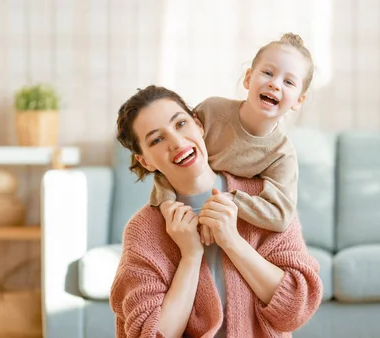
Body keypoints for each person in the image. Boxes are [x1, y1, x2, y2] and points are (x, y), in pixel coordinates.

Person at [110, 85, 322, 337]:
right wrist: (190, 255)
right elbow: (150, 334)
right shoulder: (144, 230)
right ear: (145, 160)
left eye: (180, 124)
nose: (177, 142)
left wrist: (232, 241)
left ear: (198, 124)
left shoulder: (264, 202)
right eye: (157, 139)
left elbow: (296, 309)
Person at [150, 33, 314, 245]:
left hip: (224, 228)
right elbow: (171, 154)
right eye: (267, 72)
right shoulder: (210, 111)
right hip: (181, 216)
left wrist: (231, 200)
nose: (275, 84)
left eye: (288, 82)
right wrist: (164, 202)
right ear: (248, 78)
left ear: (298, 100)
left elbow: (281, 215)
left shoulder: (281, 154)